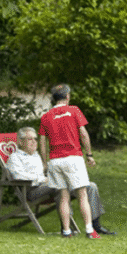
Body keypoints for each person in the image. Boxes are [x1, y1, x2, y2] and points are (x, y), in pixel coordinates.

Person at [5, 126, 114, 236]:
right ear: (20, 141)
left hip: (49, 186)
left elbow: (47, 170)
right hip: (32, 190)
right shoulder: (15, 157)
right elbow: (18, 175)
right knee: (60, 186)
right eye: (30, 139)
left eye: (35, 139)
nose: (34, 142)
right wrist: (43, 179)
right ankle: (66, 227)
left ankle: (96, 225)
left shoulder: (36, 156)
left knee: (90, 186)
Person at [38, 84, 101, 239]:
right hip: (73, 158)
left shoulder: (46, 117)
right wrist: (89, 154)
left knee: (63, 197)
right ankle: (89, 230)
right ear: (67, 96)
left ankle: (66, 231)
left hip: (55, 161)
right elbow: (84, 134)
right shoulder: (74, 110)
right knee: (82, 195)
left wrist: (44, 162)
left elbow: (42, 142)